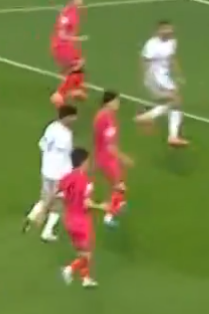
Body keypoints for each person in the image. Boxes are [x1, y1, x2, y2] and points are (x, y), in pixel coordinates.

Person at [25, 104, 79, 242]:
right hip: (59, 173)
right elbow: (68, 153)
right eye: (73, 116)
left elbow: (42, 145)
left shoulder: (51, 127)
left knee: (45, 196)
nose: (75, 119)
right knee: (59, 203)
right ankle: (47, 231)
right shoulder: (65, 134)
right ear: (67, 117)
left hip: (46, 170)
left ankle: (32, 215)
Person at [133, 20, 190, 147]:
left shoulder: (172, 42)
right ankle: (149, 117)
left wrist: (178, 74)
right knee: (175, 100)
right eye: (165, 29)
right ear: (158, 31)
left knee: (175, 103)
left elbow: (172, 58)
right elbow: (144, 61)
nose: (169, 31)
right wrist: (146, 80)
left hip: (165, 77)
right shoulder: (152, 45)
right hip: (154, 78)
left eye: (170, 29)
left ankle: (172, 135)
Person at [57, 148, 105, 287]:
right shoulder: (85, 181)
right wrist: (101, 206)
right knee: (87, 254)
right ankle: (69, 269)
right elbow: (86, 203)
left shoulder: (66, 177)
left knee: (81, 251)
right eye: (88, 161)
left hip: (69, 220)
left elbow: (59, 194)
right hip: (81, 221)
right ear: (83, 162)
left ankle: (85, 279)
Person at [95, 91, 134, 227]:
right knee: (119, 186)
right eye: (116, 101)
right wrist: (124, 158)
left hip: (102, 155)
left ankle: (119, 202)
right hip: (107, 158)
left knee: (118, 183)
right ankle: (109, 216)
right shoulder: (107, 119)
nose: (118, 104)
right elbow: (110, 146)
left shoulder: (101, 115)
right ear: (109, 102)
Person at [49, 0, 88, 106]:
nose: (81, 0)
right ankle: (59, 94)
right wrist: (78, 38)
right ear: (72, 0)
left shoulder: (73, 11)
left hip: (69, 45)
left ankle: (75, 90)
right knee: (77, 66)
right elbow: (61, 34)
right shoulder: (67, 15)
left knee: (77, 68)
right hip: (62, 46)